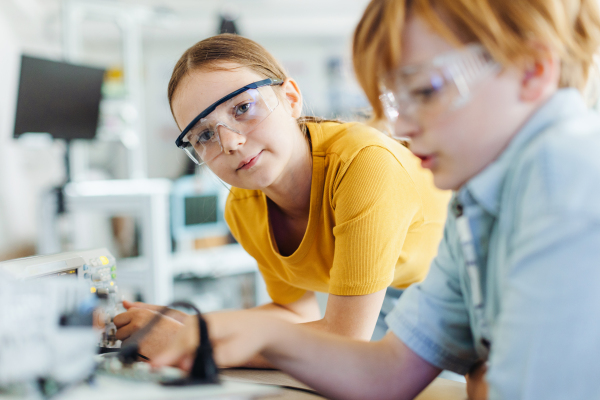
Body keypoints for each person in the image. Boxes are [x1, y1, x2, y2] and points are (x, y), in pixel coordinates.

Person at [152, 0, 600, 398]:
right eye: (205, 136)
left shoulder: (568, 172)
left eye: (425, 90)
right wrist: (226, 334)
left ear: (533, 69)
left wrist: (231, 336)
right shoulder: (476, 205)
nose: (400, 128)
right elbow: (389, 372)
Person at [113, 34, 450, 364]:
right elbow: (294, 312)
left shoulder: (364, 165)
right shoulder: (243, 207)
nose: (229, 142)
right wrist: (187, 326)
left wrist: (198, 343)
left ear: (290, 99)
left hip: (456, 302)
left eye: (243, 108)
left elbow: (345, 341)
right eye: (203, 135)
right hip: (370, 319)